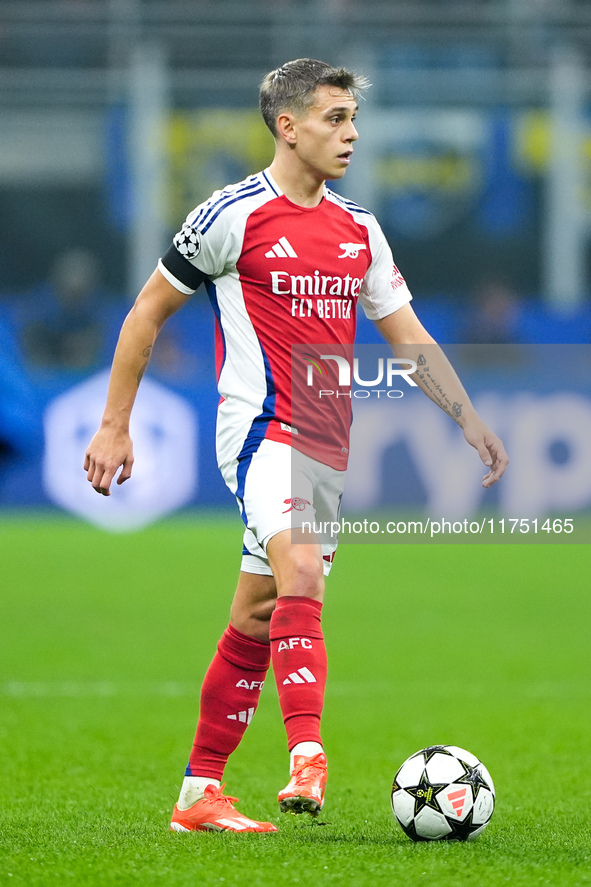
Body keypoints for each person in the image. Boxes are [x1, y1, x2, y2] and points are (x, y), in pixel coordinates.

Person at [84, 59, 508, 834]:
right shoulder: (231, 214)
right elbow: (145, 313)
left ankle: (197, 794)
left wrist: (465, 416)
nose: (350, 135)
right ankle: (306, 752)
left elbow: (407, 337)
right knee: (302, 569)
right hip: (257, 430)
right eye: (334, 118)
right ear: (288, 125)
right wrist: (115, 422)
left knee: (257, 614)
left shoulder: (358, 229)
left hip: (325, 447)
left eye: (352, 120)